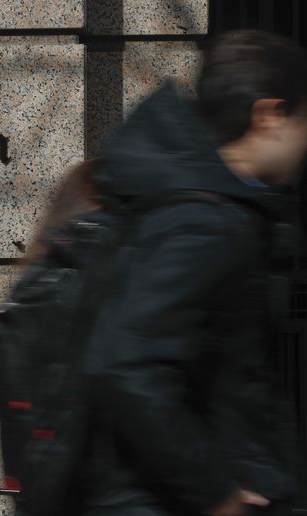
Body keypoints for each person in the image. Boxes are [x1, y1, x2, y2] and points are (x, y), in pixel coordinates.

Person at [80, 30, 307, 516]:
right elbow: (126, 363)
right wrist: (215, 493)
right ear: (268, 116)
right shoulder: (204, 222)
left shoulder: (212, 204)